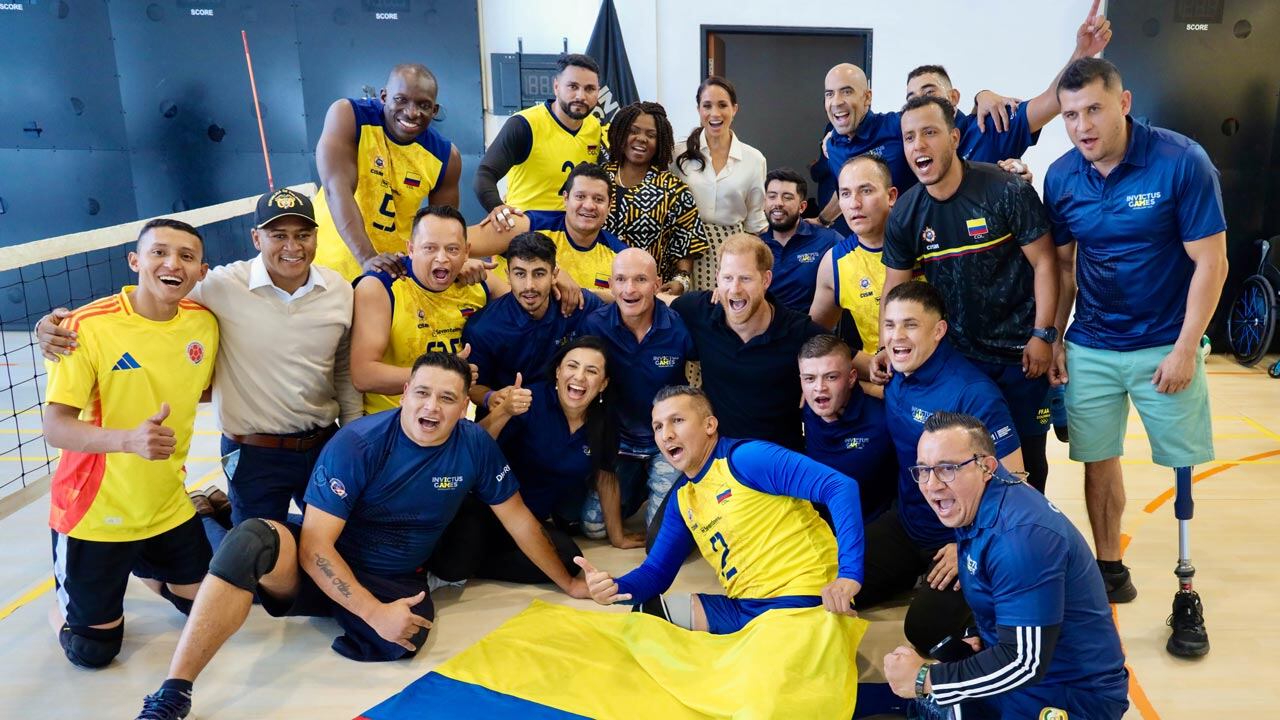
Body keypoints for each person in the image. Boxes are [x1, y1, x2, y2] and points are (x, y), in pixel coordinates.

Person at [133, 353, 589, 720]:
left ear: (463, 405)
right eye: (423, 393)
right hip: (323, 558)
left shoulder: (474, 445)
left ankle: (211, 518)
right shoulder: (360, 443)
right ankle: (174, 692)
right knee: (250, 542)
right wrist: (370, 611)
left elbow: (520, 521)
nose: (432, 407)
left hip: (392, 574)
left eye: (448, 399)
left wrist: (569, 583)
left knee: (401, 641)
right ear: (405, 393)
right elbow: (314, 547)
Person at [38, 190, 361, 530]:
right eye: (278, 235)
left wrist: (353, 434)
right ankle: (209, 520)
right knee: (259, 558)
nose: (292, 247)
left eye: (303, 235)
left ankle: (212, 513)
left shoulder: (339, 290)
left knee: (341, 541)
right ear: (256, 238)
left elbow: (343, 368)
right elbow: (149, 295)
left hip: (324, 445)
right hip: (254, 452)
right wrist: (54, 323)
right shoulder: (221, 285)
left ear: (316, 237)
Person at [1045, 57, 1226, 654]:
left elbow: (1211, 262)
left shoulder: (1181, 160)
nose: (1082, 126)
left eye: (1094, 109)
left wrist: (1184, 348)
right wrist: (1056, 336)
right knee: (1097, 459)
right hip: (1093, 343)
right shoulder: (1063, 177)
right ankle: (1108, 567)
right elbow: (1066, 265)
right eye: (1070, 115)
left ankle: (1186, 589)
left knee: (1180, 462)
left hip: (1163, 342)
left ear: (1122, 104)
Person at [42, 219, 217, 670]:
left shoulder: (203, 325)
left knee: (208, 612)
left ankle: (141, 565)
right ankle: (65, 605)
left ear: (201, 271)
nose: (172, 263)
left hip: (165, 504)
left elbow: (201, 390)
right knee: (93, 653)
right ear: (135, 261)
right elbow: (56, 427)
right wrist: (128, 440)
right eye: (159, 252)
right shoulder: (86, 327)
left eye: (186, 256)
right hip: (94, 511)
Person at [883, 412, 1129, 719]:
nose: (932, 485)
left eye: (947, 469)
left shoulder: (1020, 540)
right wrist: (978, 634)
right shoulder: (981, 503)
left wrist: (926, 679)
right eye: (923, 470)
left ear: (986, 467)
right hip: (1042, 675)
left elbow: (1025, 662)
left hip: (1071, 695)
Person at [575, 386, 864, 635]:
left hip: (801, 599)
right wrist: (612, 588)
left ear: (709, 425)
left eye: (677, 420)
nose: (667, 434)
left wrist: (849, 574)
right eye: (658, 427)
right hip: (744, 608)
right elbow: (655, 574)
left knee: (759, 682)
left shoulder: (746, 458)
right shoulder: (682, 498)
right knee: (647, 616)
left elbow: (839, 486)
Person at [881, 94, 1058, 494]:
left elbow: (1046, 263)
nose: (918, 146)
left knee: (1026, 464)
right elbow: (896, 286)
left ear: (955, 138)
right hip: (959, 362)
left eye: (930, 133)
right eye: (909, 137)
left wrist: (1044, 334)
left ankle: (1023, 546)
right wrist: (885, 347)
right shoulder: (907, 213)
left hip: (1020, 356)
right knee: (964, 465)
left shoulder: (1005, 190)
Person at [863, 282, 1025, 654]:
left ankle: (988, 601)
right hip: (909, 523)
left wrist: (967, 545)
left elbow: (1015, 480)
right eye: (889, 326)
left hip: (961, 537)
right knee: (836, 578)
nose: (897, 336)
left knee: (924, 632)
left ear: (938, 331)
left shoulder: (973, 393)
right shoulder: (896, 372)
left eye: (910, 325)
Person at [432, 338, 633, 590]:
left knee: (569, 561)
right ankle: (461, 562)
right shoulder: (529, 400)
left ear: (603, 383)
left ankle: (476, 564)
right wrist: (503, 411)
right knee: (452, 566)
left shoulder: (604, 421)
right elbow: (472, 448)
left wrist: (618, 537)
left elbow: (606, 476)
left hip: (531, 518)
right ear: (558, 372)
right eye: (572, 366)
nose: (579, 377)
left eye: (591, 371)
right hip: (485, 507)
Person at [580, 249, 693, 545]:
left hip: (666, 439)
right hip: (620, 440)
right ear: (611, 286)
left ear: (656, 285)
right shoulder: (595, 325)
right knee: (594, 529)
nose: (630, 289)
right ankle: (641, 484)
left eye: (640, 280)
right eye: (621, 280)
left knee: (660, 539)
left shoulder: (679, 326)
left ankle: (662, 482)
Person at [671, 234, 826, 452]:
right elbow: (651, 301)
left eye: (745, 278)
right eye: (727, 278)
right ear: (717, 278)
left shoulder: (797, 329)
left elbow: (851, 364)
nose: (735, 289)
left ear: (766, 280)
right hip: (721, 463)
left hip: (779, 464)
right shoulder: (699, 310)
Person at [902, 6, 1113, 164]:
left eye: (930, 91)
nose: (923, 100)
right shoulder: (910, 145)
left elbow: (1052, 100)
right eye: (913, 98)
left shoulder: (991, 125)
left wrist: (1081, 53)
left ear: (954, 97)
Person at [312, 64, 462, 281]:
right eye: (401, 100)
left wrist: (458, 263)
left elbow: (441, 228)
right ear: (384, 96)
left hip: (392, 272)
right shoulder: (348, 116)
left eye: (423, 105)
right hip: (330, 267)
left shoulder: (446, 156)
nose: (411, 112)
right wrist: (367, 258)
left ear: (435, 110)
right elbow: (337, 190)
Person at [350, 205, 500, 415]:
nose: (442, 258)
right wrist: (443, 373)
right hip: (393, 423)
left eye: (452, 249)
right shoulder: (381, 287)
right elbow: (363, 375)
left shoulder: (480, 282)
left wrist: (559, 276)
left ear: (467, 251)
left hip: (453, 423)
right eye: (430, 248)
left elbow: (529, 299)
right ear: (410, 249)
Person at [461, 231, 603, 413]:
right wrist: (492, 398)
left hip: (565, 416)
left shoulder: (576, 303)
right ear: (508, 275)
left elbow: (617, 310)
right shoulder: (482, 328)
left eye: (539, 274)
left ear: (554, 275)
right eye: (520, 274)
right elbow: (472, 387)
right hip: (511, 424)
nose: (529, 285)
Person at [474, 53, 604, 228]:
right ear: (556, 86)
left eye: (589, 89)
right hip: (525, 238)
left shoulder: (595, 127)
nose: (581, 96)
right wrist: (497, 207)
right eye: (573, 86)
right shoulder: (523, 125)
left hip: (570, 237)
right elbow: (485, 174)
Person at [468, 162, 626, 303]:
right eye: (580, 196)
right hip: (506, 327)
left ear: (610, 205)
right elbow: (455, 244)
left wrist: (581, 292)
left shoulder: (620, 256)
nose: (589, 205)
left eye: (598, 199)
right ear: (565, 198)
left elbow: (642, 296)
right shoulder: (525, 226)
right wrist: (463, 264)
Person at [809, 154, 902, 388]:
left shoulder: (926, 243)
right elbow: (814, 337)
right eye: (846, 194)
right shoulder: (835, 262)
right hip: (883, 384)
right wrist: (864, 366)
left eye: (866, 191)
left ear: (891, 196)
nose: (854, 204)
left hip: (944, 380)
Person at [671, 76, 768, 291]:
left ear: (734, 109)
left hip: (733, 254)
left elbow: (754, 222)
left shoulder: (754, 160)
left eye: (722, 105)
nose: (715, 114)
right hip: (684, 253)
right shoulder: (678, 153)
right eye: (707, 106)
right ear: (698, 110)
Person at [603, 101, 709, 293]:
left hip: (649, 294)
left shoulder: (673, 189)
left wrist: (681, 281)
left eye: (651, 135)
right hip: (600, 287)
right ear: (620, 133)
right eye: (633, 131)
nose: (642, 139)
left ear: (660, 142)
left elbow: (687, 243)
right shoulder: (598, 180)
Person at [798, 335, 897, 522]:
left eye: (831, 377)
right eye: (810, 378)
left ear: (852, 378)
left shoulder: (882, 422)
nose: (820, 388)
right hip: (816, 528)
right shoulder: (803, 410)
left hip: (871, 532)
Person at [755, 168, 843, 313]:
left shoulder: (827, 240)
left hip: (812, 330)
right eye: (772, 196)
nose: (778, 203)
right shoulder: (756, 246)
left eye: (787, 197)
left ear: (802, 207)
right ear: (764, 204)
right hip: (765, 330)